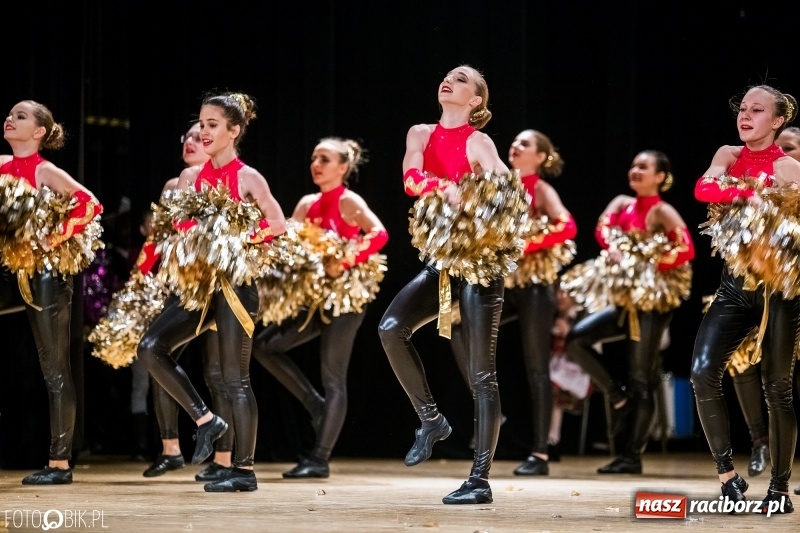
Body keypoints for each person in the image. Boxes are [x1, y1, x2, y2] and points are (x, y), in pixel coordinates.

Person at [137, 92, 287, 493]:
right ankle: (206, 420)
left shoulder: (248, 177)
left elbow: (278, 224)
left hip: (236, 287)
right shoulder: (189, 179)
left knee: (235, 379)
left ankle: (244, 470)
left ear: (233, 131)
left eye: (212, 125)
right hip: (200, 287)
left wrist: (237, 237)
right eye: (201, 124)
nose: (203, 132)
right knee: (151, 347)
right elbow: (181, 226)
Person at [378, 65, 509, 505]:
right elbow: (411, 180)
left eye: (463, 80)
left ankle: (480, 478)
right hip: (441, 261)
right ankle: (431, 419)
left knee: (481, 373)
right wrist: (446, 186)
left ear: (476, 101)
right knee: (390, 328)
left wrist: (476, 195)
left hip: (479, 264)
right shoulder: (420, 133)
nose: (449, 81)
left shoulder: (480, 141)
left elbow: (504, 187)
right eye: (448, 76)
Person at [252, 137, 388, 478]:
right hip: (312, 297)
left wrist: (344, 261)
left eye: (325, 159)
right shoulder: (305, 204)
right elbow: (289, 244)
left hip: (345, 298)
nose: (316, 164)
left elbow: (379, 234)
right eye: (314, 158)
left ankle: (319, 458)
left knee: (333, 375)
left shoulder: (349, 200)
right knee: (266, 347)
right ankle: (315, 404)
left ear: (342, 168)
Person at [692, 84, 800, 513]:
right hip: (734, 285)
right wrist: (752, 191)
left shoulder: (790, 167)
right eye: (743, 108)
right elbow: (705, 189)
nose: (746, 115)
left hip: (778, 290)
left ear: (777, 122)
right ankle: (726, 475)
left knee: (777, 387)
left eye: (758, 110)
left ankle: (779, 487)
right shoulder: (728, 155)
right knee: (703, 372)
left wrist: (742, 191)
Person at [449, 129, 576, 476]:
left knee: (536, 366)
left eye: (525, 144)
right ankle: (492, 408)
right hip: (503, 279)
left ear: (541, 157)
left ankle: (540, 452)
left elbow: (567, 226)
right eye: (515, 141)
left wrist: (524, 244)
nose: (515, 146)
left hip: (534, 284)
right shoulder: (499, 181)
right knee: (458, 328)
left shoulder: (541, 189)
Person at [564, 150, 694, 475]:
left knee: (641, 376)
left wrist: (650, 263)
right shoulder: (622, 203)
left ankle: (632, 456)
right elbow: (603, 228)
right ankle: (615, 395)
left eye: (644, 167)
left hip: (651, 305)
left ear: (660, 177)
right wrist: (616, 249)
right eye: (633, 165)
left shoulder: (663, 210)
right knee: (576, 340)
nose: (635, 170)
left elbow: (686, 248)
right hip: (624, 302)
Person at [0, 100, 104, 484]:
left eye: (21, 116)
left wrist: (56, 234)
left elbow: (91, 204)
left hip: (47, 275)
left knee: (54, 370)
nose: (10, 119)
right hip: (12, 272)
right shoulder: (1, 167)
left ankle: (60, 464)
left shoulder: (46, 170)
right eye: (10, 115)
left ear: (40, 131)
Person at [132, 122, 236, 483]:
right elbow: (160, 241)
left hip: (213, 285)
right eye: (187, 136)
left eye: (199, 135)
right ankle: (171, 450)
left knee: (215, 371)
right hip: (181, 285)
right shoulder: (171, 186)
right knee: (163, 360)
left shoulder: (216, 178)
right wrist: (142, 273)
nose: (192, 141)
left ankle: (223, 458)